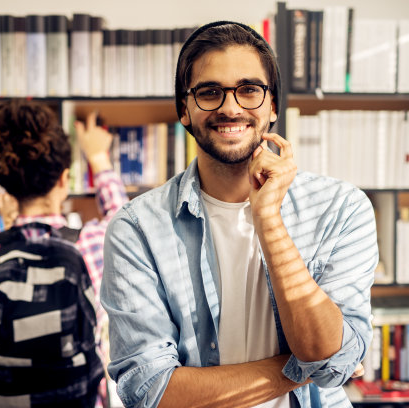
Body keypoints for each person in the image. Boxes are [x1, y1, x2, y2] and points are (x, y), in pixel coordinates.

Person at [101, 21, 378, 408]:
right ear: (185, 109)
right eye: (210, 92)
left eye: (249, 90)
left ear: (274, 105)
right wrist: (305, 368)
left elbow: (331, 357)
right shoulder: (136, 228)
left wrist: (269, 222)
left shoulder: (341, 209)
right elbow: (151, 390)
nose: (230, 107)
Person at [0, 99, 128, 407]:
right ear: (64, 181)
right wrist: (98, 157)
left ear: (5, 185)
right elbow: (126, 220)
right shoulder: (93, 243)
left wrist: (11, 223)